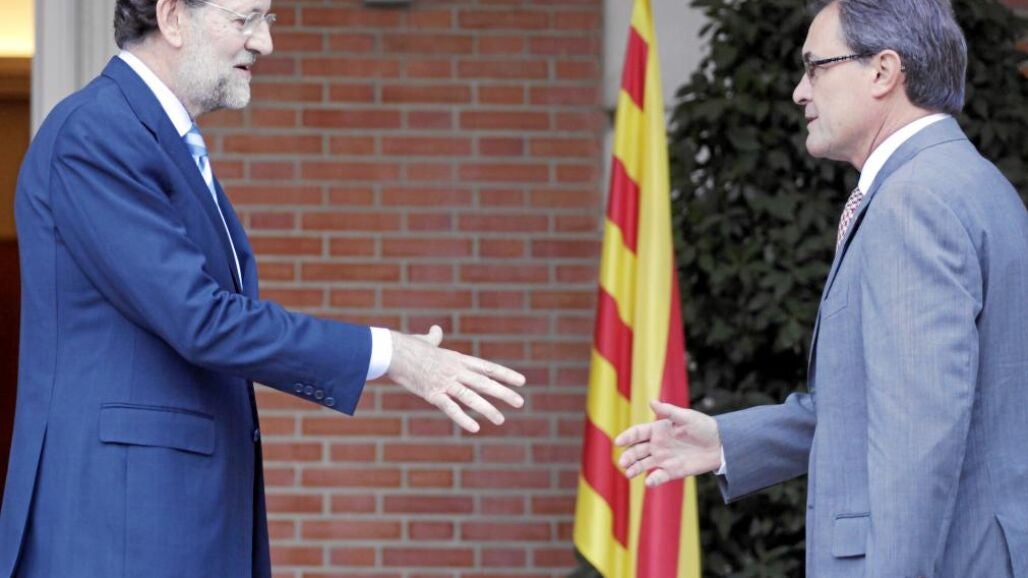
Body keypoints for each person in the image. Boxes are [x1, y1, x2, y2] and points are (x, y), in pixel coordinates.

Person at [0, 1, 526, 576]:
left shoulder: (153, 136)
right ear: (171, 16)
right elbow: (203, 320)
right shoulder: (98, 132)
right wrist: (389, 354)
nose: (264, 42)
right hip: (120, 528)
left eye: (266, 19)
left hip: (165, 518)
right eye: (245, 18)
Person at [615, 0, 1028, 576]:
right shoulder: (970, 182)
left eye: (816, 67)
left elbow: (918, 440)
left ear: (883, 71)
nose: (799, 92)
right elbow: (897, 403)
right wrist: (727, 442)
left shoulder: (914, 200)